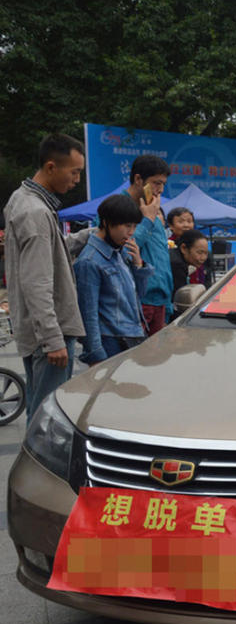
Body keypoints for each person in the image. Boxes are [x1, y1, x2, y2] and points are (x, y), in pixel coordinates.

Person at [3, 134, 91, 420]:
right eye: (74, 172)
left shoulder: (23, 199)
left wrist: (88, 235)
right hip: (50, 333)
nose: (77, 180)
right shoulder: (36, 212)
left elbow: (51, 252)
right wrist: (52, 339)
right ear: (51, 167)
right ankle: (35, 466)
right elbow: (36, 281)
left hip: (36, 330)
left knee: (42, 414)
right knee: (46, 420)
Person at [74, 195, 153, 364]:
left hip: (133, 335)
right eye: (127, 225)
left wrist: (139, 265)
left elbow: (140, 294)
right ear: (106, 222)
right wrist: (95, 354)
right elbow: (88, 314)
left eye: (134, 226)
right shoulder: (89, 261)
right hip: (111, 341)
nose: (131, 232)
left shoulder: (121, 252)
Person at [127, 154, 173, 336]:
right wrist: (146, 220)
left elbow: (162, 259)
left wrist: (167, 302)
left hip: (160, 302)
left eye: (163, 184)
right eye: (156, 183)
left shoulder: (154, 210)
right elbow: (122, 250)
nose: (160, 190)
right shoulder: (119, 206)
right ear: (138, 179)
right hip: (137, 302)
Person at [170, 229, 211, 295]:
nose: (203, 258)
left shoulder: (176, 257)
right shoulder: (177, 265)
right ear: (184, 248)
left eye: (206, 253)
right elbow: (179, 296)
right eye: (199, 252)